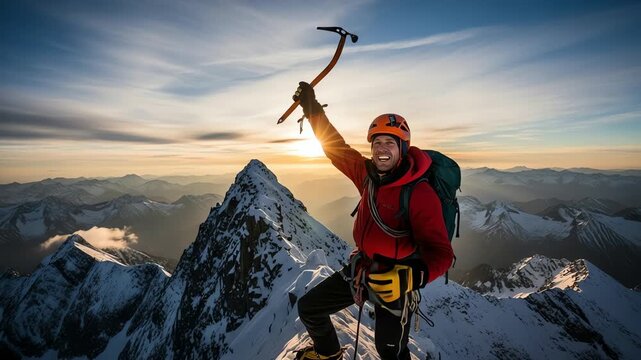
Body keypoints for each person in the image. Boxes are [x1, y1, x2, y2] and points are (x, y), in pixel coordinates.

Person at [292, 82, 455, 360]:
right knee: (309, 308)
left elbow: (442, 254)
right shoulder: (367, 176)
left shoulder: (418, 193)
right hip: (362, 270)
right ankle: (328, 354)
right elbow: (336, 148)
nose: (381, 148)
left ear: (403, 148)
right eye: (376, 142)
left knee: (389, 351)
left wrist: (411, 277)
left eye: (390, 143)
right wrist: (312, 109)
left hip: (396, 281)